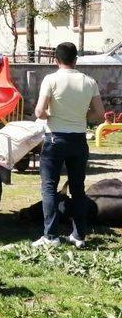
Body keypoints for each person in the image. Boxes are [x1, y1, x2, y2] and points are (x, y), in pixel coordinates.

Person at [32, 42, 105, 249]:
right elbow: (99, 114)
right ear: (76, 59)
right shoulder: (89, 81)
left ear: (56, 59)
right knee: (78, 189)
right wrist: (82, 116)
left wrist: (51, 115)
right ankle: (79, 236)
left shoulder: (51, 79)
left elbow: (39, 112)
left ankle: (51, 235)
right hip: (79, 140)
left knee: (49, 187)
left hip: (55, 139)